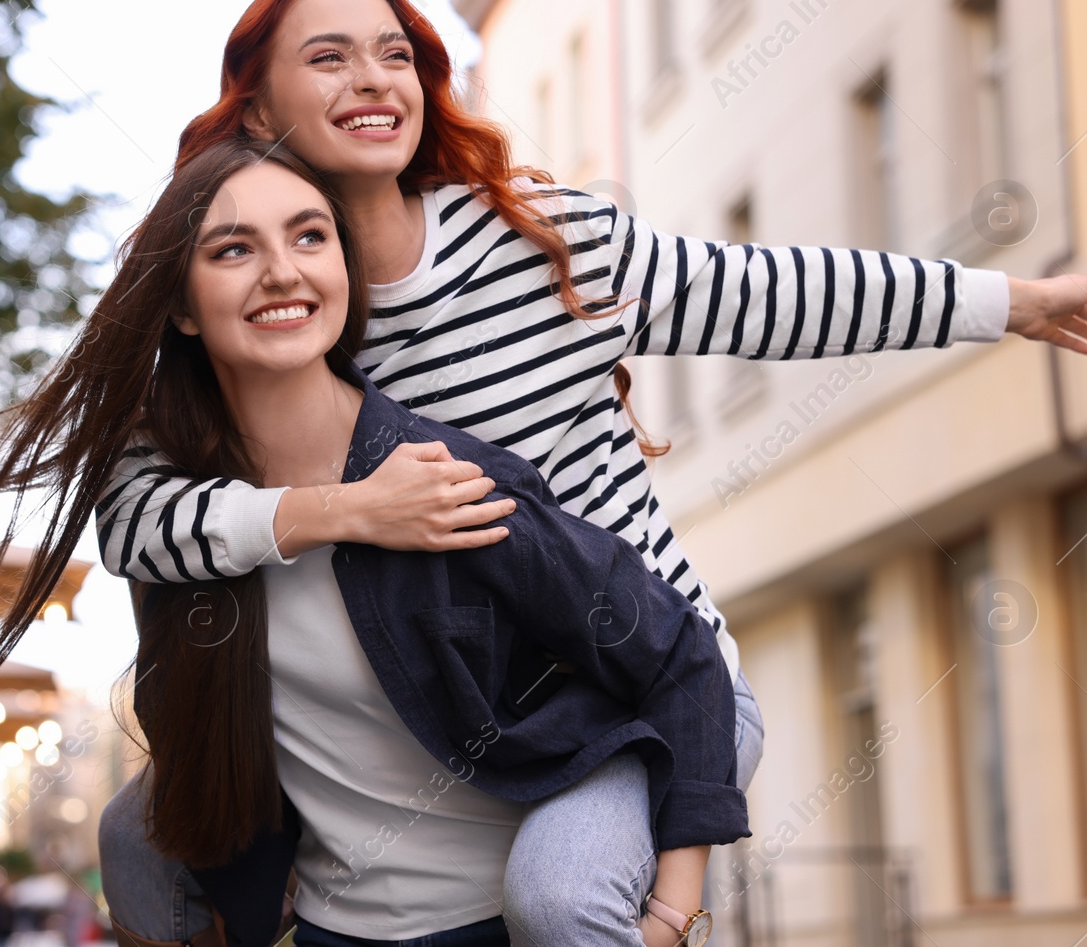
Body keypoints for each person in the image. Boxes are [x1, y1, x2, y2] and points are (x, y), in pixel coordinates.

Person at [89, 0, 1087, 942]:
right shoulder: (280, 310)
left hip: (645, 677)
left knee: (559, 893)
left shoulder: (543, 241)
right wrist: (344, 509)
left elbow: (769, 292)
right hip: (476, 694)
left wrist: (1010, 299)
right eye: (329, 58)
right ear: (258, 111)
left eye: (394, 52)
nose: (372, 79)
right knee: (136, 835)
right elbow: (141, 506)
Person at [119, 137, 747, 946]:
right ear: (178, 304)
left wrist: (670, 912)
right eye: (233, 248)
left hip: (512, 925)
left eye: (311, 236)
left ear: (345, 272)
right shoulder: (181, 525)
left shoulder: (446, 484)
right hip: (334, 931)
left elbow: (680, 654)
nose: (282, 270)